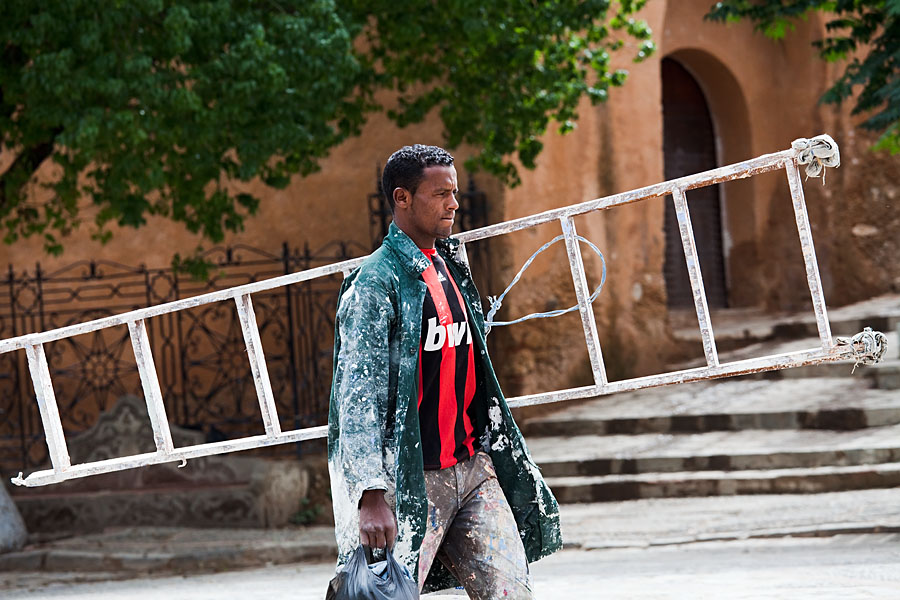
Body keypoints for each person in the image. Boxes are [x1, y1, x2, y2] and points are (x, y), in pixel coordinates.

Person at [327, 144, 561, 598]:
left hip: (474, 469)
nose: (454, 203)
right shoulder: (375, 284)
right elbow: (356, 401)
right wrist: (370, 495)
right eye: (441, 194)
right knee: (384, 594)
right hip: (414, 480)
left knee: (511, 592)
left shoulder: (451, 265)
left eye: (454, 192)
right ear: (402, 198)